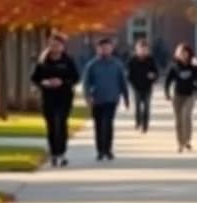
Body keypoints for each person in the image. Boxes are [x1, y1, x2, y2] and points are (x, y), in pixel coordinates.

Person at [30, 32, 79, 167]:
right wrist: (44, 83)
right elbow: (35, 78)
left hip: (64, 97)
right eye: (52, 45)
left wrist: (62, 82)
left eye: (58, 45)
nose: (55, 47)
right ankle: (53, 153)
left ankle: (62, 152)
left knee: (61, 124)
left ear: (63, 46)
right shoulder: (43, 61)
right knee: (51, 126)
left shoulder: (68, 61)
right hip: (48, 97)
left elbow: (75, 78)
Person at [83, 37, 129, 161]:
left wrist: (126, 98)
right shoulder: (92, 65)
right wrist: (87, 97)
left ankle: (108, 149)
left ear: (111, 49)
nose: (105, 50)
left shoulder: (117, 65)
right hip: (97, 99)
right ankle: (100, 150)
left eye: (107, 48)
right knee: (98, 125)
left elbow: (122, 82)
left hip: (111, 99)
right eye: (102, 48)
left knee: (108, 124)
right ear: (98, 49)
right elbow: (86, 83)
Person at [165, 43, 197, 152]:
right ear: (177, 54)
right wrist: (167, 93)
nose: (183, 55)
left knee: (186, 115)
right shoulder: (174, 66)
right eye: (181, 53)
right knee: (178, 120)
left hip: (190, 95)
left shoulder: (193, 66)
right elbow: (168, 81)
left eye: (185, 53)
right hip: (178, 95)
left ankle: (187, 140)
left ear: (189, 54)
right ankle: (180, 143)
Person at [127, 39, 159, 133]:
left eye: (145, 49)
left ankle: (145, 125)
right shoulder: (132, 60)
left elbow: (156, 72)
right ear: (136, 49)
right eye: (141, 49)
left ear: (147, 50)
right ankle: (138, 121)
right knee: (137, 106)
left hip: (147, 87)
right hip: (136, 87)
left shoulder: (150, 60)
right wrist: (132, 83)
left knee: (146, 106)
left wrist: (153, 77)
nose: (143, 51)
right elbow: (129, 74)